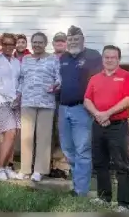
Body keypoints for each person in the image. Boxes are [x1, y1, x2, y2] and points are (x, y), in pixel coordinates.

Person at [84, 45, 129, 212]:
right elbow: (87, 100)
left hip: (117, 126)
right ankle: (104, 198)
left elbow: (128, 99)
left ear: (118, 59)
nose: (109, 60)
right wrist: (99, 115)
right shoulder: (94, 78)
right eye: (106, 57)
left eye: (113, 57)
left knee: (121, 165)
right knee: (100, 163)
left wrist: (107, 113)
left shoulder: (126, 76)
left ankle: (123, 204)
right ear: (102, 59)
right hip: (98, 125)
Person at [58, 25, 102, 197]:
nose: (73, 42)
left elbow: (98, 81)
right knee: (68, 149)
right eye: (70, 39)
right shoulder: (63, 58)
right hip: (63, 109)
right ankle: (77, 185)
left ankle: (80, 191)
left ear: (83, 40)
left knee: (82, 149)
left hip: (82, 110)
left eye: (76, 39)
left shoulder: (93, 56)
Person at [18, 32, 60, 182]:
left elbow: (58, 78)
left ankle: (39, 170)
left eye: (40, 42)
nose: (37, 45)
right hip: (28, 102)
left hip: (46, 103)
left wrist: (56, 86)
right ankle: (25, 169)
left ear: (45, 43)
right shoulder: (26, 59)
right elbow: (21, 79)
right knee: (26, 137)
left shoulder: (53, 59)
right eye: (34, 42)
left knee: (44, 137)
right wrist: (18, 95)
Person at [0, 33, 21, 181]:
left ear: (15, 46)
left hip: (16, 101)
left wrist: (18, 94)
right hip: (1, 100)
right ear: (1, 45)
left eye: (11, 44)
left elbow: (20, 80)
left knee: (13, 135)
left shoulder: (16, 62)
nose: (8, 47)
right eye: (5, 44)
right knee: (10, 132)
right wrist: (12, 97)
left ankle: (8, 167)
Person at [49, 31, 69, 179]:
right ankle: (46, 165)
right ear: (53, 44)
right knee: (48, 133)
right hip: (49, 100)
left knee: (61, 133)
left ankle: (61, 166)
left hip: (65, 100)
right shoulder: (48, 58)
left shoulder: (71, 58)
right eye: (57, 42)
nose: (60, 44)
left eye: (62, 41)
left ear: (66, 43)